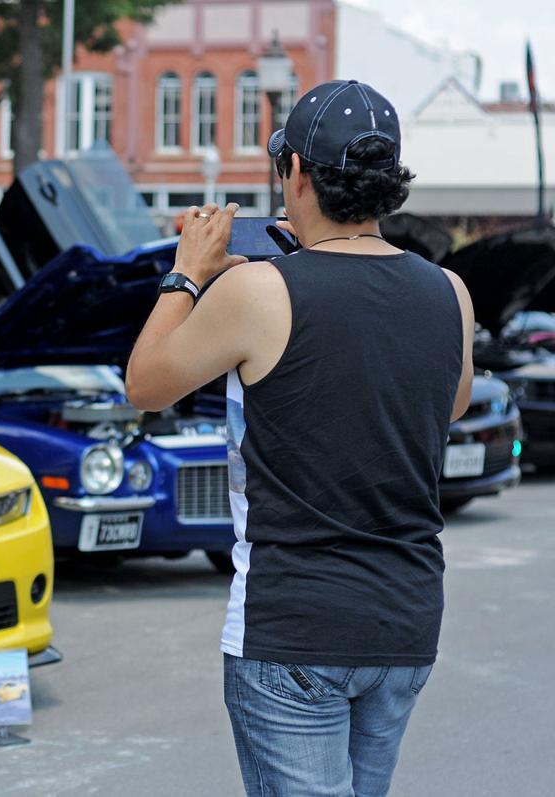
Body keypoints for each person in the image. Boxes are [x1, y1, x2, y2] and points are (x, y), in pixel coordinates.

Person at [126, 80, 474, 796]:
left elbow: (146, 384)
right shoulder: (450, 292)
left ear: (296, 173)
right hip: (404, 621)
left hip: (295, 625)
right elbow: (448, 404)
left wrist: (187, 274)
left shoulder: (258, 291)